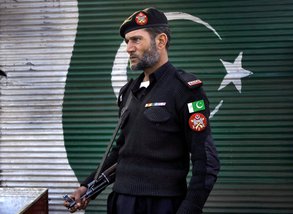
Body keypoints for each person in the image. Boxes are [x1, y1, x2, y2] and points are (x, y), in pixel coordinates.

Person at [64, 7, 220, 214]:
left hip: (162, 204)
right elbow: (123, 152)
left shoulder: (185, 90)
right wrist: (88, 188)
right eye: (127, 41)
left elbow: (207, 162)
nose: (129, 48)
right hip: (121, 203)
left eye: (136, 40)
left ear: (161, 41)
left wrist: (189, 209)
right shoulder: (129, 92)